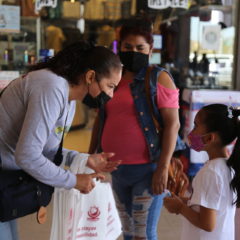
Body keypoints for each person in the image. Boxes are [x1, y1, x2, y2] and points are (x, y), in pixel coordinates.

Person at [0, 41, 122, 240]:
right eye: (110, 86)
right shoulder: (51, 87)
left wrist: (83, 159)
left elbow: (47, 150)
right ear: (90, 76)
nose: (111, 95)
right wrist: (73, 181)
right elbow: (28, 155)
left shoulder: (68, 97)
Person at [89, 18, 185, 240]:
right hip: (117, 169)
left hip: (149, 170)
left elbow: (173, 124)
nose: (134, 52)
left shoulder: (158, 78)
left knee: (143, 233)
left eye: (140, 48)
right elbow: (100, 119)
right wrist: (90, 156)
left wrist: (162, 168)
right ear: (118, 47)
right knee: (127, 231)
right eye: (127, 47)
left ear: (150, 49)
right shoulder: (112, 77)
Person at [164, 104, 240, 240]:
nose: (191, 133)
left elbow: (207, 224)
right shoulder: (227, 165)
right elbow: (214, 205)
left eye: (195, 126)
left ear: (209, 138)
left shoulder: (210, 173)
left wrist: (180, 208)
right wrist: (185, 201)